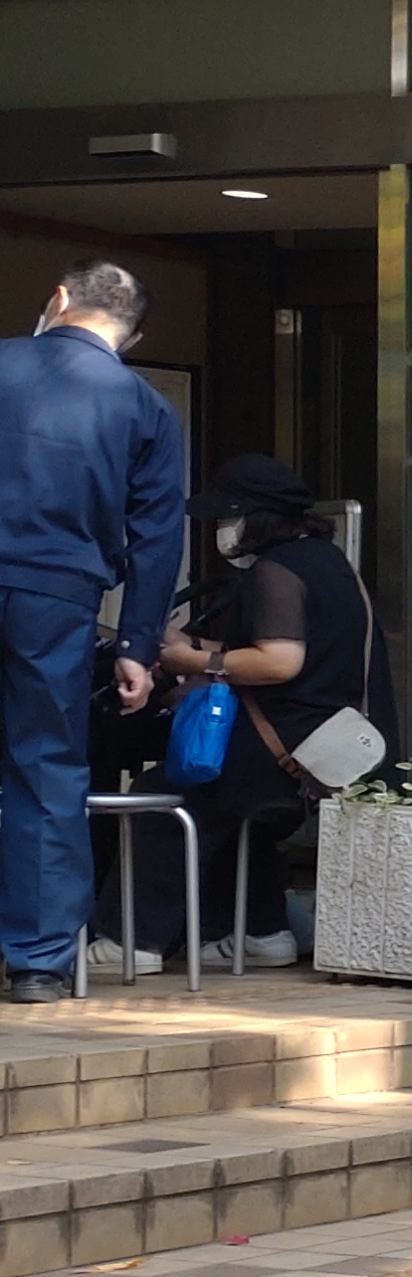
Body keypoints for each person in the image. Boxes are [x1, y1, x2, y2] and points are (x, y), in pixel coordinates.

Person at [0, 261, 182, 1000]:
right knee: (46, 770)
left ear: (58, 300)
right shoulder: (145, 407)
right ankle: (38, 963)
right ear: (129, 336)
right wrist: (138, 647)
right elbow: (158, 538)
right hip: (59, 594)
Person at [142, 453, 389, 964]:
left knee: (158, 800)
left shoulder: (276, 571)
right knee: (240, 819)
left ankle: (132, 943)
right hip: (318, 751)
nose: (223, 530)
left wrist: (193, 658)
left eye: (228, 518)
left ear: (256, 517)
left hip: (282, 745)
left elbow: (278, 660)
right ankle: (261, 931)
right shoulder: (330, 563)